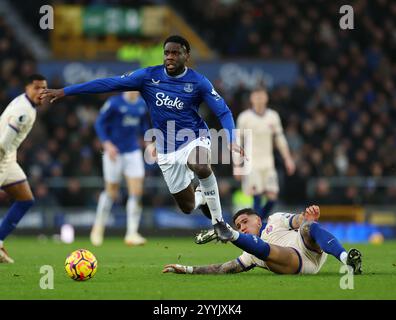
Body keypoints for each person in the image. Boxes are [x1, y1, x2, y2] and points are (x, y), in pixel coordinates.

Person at [40, 35, 245, 242]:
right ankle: (201, 195)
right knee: (188, 207)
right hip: (167, 150)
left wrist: (231, 138)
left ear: (187, 56)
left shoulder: (199, 81)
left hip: (194, 137)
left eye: (176, 53)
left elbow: (223, 111)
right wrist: (66, 91)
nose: (170, 57)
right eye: (167, 53)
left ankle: (219, 223)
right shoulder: (148, 76)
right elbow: (107, 84)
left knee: (201, 166)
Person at [162, 205, 362, 275]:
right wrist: (188, 269)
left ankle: (346, 259)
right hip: (295, 261)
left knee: (310, 227)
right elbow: (222, 269)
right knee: (263, 252)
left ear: (258, 220)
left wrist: (306, 218)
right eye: (239, 227)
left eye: (244, 222)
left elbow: (298, 220)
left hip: (309, 246)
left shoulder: (275, 219)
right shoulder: (249, 254)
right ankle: (229, 234)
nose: (243, 227)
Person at [91, 91, 150, 246]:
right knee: (111, 192)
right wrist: (107, 143)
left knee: (136, 191)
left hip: (133, 151)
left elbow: (144, 125)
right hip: (113, 152)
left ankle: (132, 233)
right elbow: (99, 123)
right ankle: (98, 228)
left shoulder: (141, 104)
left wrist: (148, 142)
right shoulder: (114, 103)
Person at [0, 74, 48, 263]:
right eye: (36, 88)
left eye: (43, 88)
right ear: (27, 88)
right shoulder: (24, 111)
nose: (41, 92)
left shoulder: (26, 103)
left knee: (25, 199)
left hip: (8, 159)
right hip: (2, 157)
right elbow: (3, 143)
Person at [234, 87, 295, 220]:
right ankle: (257, 230)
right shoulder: (245, 117)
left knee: (273, 197)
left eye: (262, 96)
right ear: (251, 99)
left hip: (268, 163)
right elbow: (238, 141)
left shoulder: (273, 116)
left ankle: (257, 222)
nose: (259, 99)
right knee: (257, 195)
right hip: (252, 163)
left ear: (266, 98)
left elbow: (279, 139)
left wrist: (288, 158)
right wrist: (237, 165)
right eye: (256, 96)